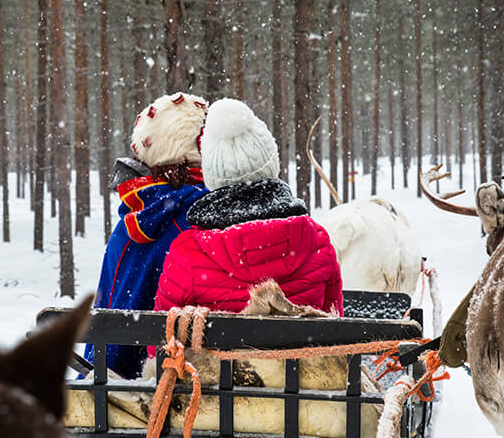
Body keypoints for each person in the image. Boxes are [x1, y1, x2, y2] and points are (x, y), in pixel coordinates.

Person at [154, 98, 343, 315]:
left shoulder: (187, 253)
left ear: (212, 176)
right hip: (308, 349)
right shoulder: (317, 240)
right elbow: (334, 322)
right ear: (272, 164)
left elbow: (164, 340)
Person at [88, 92, 210, 378]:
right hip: (181, 385)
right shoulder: (209, 222)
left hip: (117, 382)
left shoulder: (131, 222)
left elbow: (111, 312)